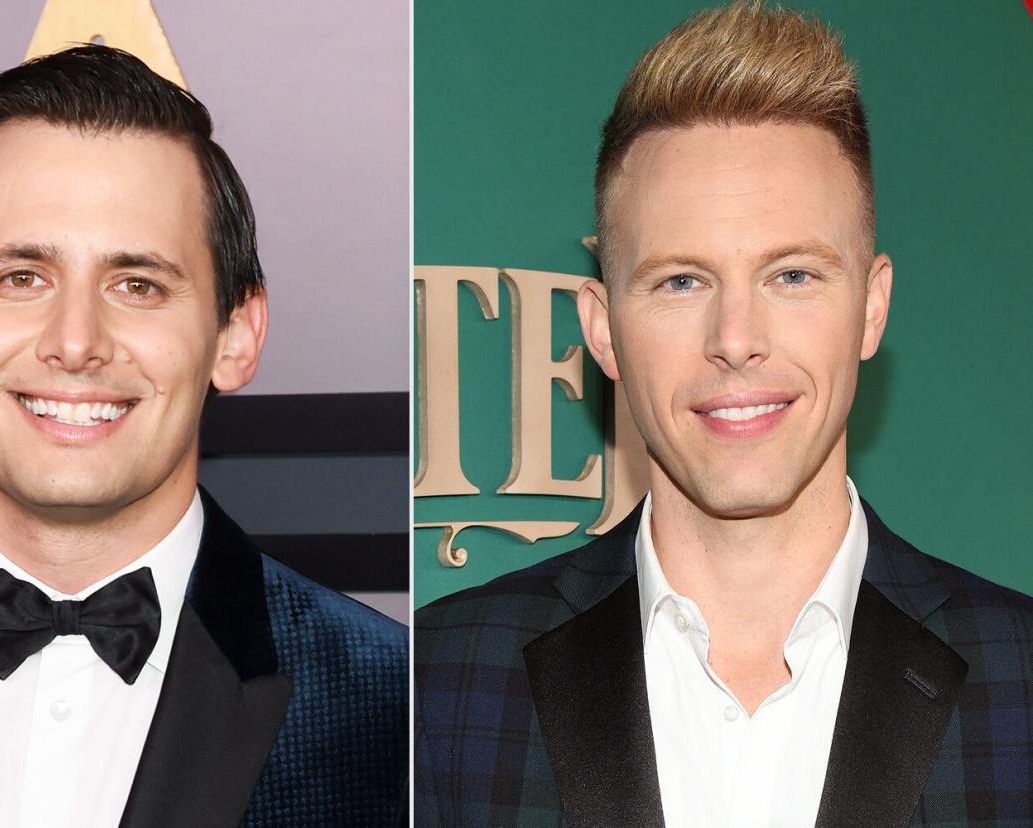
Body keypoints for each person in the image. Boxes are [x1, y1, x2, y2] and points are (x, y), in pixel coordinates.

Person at [414, 3, 1033, 825]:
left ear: (872, 308)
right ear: (602, 331)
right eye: (681, 281)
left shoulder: (1020, 680)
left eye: (793, 276)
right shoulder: (436, 685)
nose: (736, 341)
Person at [0, 46, 407, 826]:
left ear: (237, 334)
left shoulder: (398, 712)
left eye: (138, 284)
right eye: (22, 277)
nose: (76, 341)